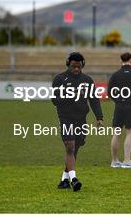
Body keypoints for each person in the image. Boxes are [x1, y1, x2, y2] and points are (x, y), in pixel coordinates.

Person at [52, 52, 103, 191]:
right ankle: (74, 179)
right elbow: (54, 100)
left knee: (75, 148)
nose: (76, 69)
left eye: (79, 67)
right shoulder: (59, 79)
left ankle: (64, 180)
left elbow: (94, 99)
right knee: (70, 146)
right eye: (74, 66)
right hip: (65, 118)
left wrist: (99, 117)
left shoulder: (87, 80)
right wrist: (70, 95)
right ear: (68, 64)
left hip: (81, 119)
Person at [108, 52, 131, 169]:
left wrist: (118, 100)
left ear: (121, 61)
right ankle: (127, 160)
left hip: (119, 106)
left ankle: (114, 161)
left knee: (117, 133)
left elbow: (110, 92)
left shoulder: (115, 75)